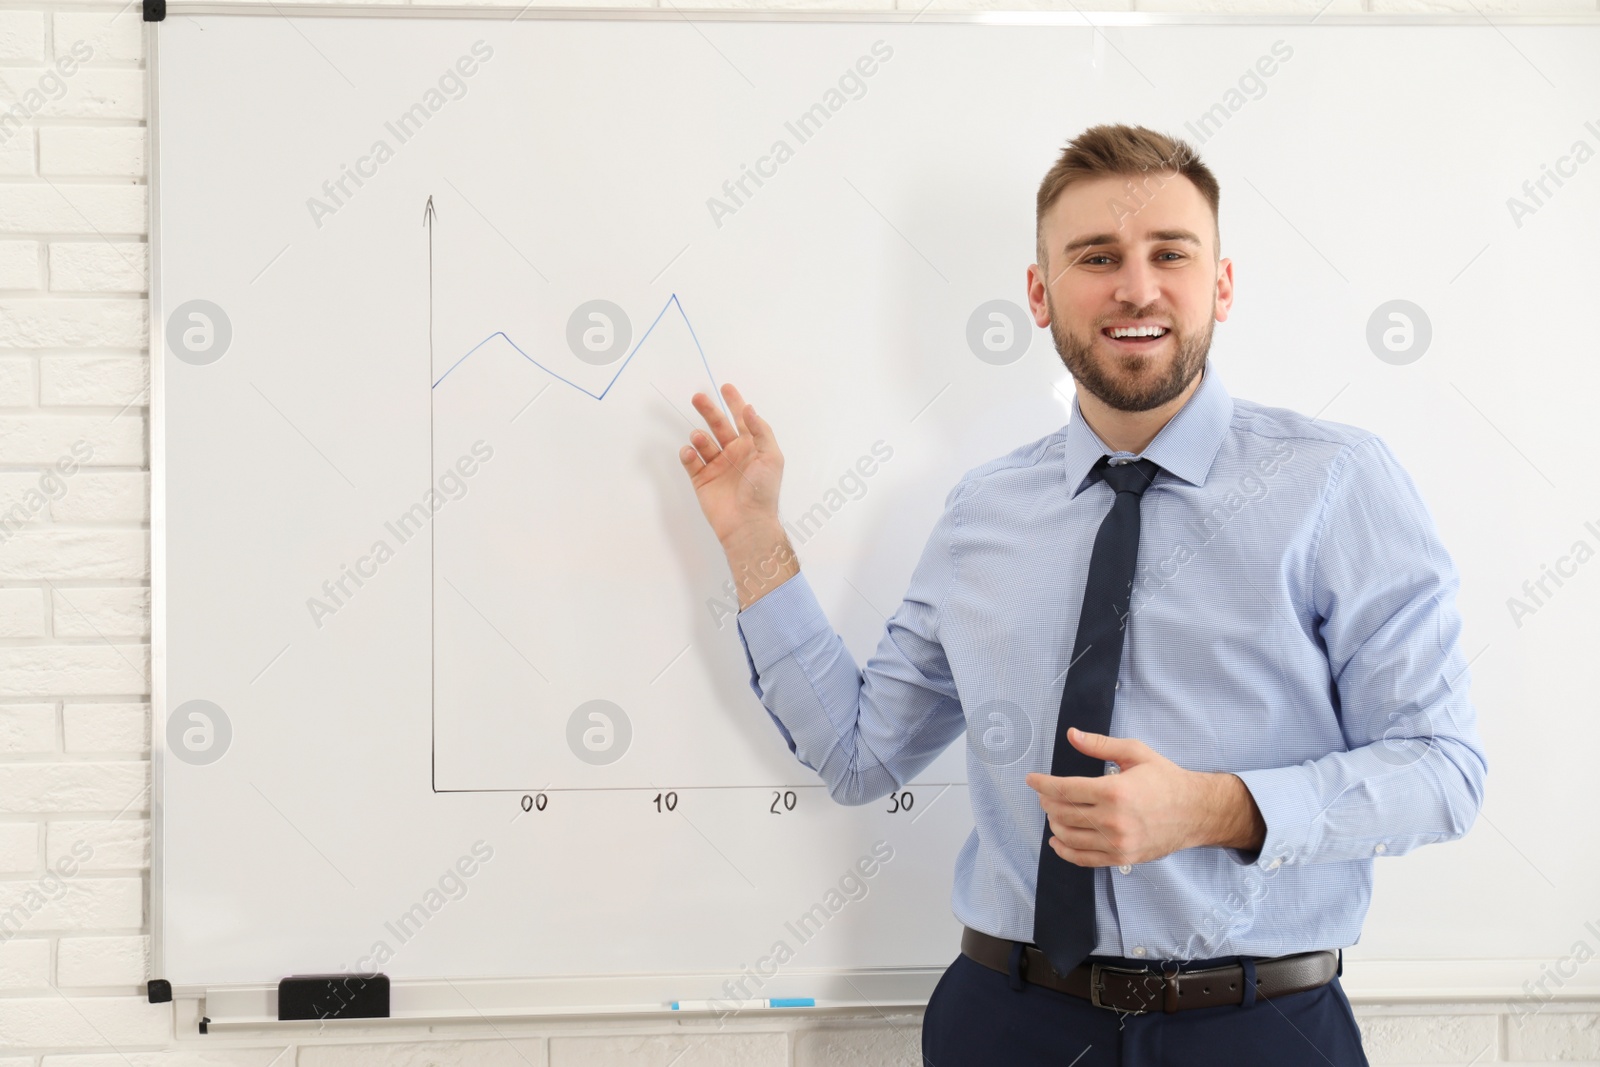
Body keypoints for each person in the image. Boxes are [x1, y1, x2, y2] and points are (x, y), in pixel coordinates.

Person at [676, 123, 1486, 1066]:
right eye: (1096, 256)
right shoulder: (983, 512)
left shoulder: (1337, 484)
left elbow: (1443, 770)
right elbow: (862, 756)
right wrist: (754, 539)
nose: (1135, 287)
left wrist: (1217, 807)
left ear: (1221, 284)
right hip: (1007, 1021)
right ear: (1039, 292)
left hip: (1257, 1030)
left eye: (1169, 254)